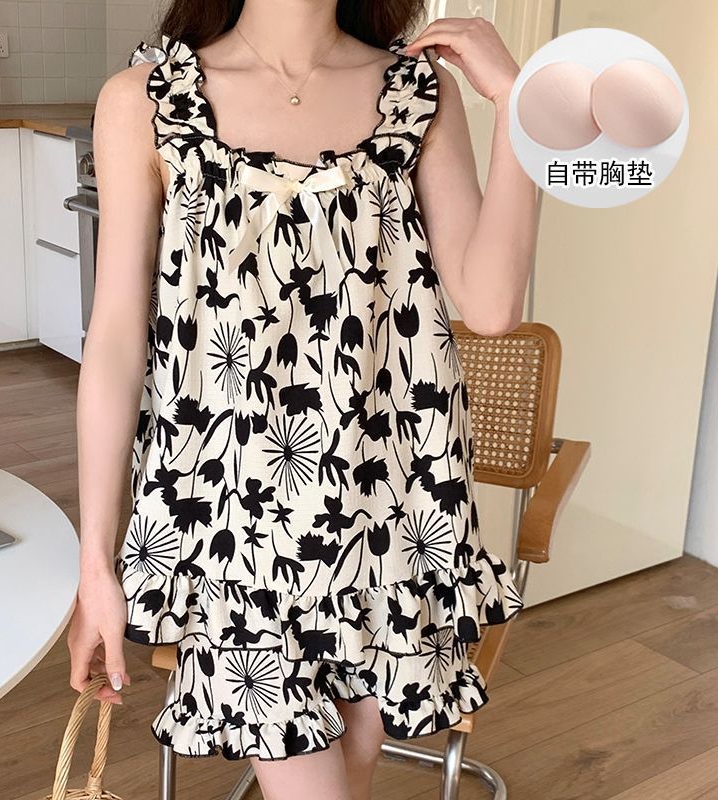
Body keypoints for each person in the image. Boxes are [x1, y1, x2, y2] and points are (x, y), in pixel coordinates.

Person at [68, 1, 538, 798]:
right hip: (232, 522)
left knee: (348, 771)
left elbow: (492, 305)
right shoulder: (145, 101)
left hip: (391, 513)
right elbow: (115, 338)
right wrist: (96, 563)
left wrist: (521, 104)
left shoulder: (417, 92)